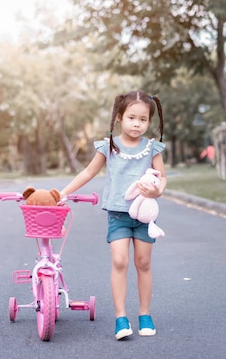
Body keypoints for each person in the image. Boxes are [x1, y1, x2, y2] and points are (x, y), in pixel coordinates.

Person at [60, 90, 166, 340]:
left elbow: (162, 180)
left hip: (144, 215)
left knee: (144, 263)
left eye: (143, 119)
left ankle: (145, 314)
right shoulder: (108, 146)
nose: (137, 124)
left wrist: (155, 192)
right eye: (131, 117)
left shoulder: (152, 148)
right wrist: (62, 193)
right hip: (118, 215)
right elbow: (88, 173)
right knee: (120, 261)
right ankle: (121, 317)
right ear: (119, 117)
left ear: (149, 122)